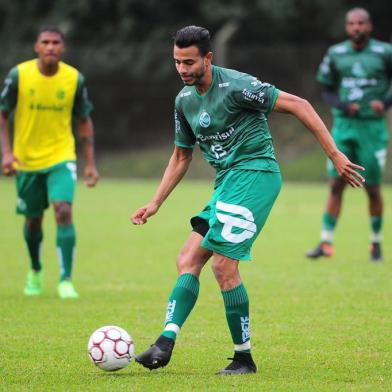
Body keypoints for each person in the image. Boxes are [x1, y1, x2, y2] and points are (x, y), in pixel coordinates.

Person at [131, 25, 364, 375]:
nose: (182, 69)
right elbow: (181, 157)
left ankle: (244, 358)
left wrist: (335, 155)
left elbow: (299, 105)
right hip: (227, 183)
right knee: (188, 258)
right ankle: (164, 342)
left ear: (208, 58)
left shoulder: (238, 86)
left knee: (224, 266)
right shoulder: (184, 101)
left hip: (256, 175)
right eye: (177, 62)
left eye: (190, 62)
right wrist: (155, 203)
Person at [0, 26, 99, 298]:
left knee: (63, 210)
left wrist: (89, 163)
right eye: (45, 42)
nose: (51, 47)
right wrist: (7, 153)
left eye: (56, 42)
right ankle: (35, 269)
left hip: (61, 156)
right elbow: (3, 113)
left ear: (63, 48)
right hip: (27, 160)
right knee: (33, 221)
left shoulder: (74, 79)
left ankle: (66, 279)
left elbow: (83, 120)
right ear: (37, 47)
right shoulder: (19, 75)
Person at [306, 8, 392, 262]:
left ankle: (375, 244)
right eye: (352, 24)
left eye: (361, 24)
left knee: (373, 188)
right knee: (335, 184)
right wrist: (343, 106)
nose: (356, 28)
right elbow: (326, 88)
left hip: (372, 129)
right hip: (343, 128)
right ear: (347, 27)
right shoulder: (336, 53)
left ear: (369, 26)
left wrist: (385, 104)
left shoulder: (384, 53)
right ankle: (325, 243)